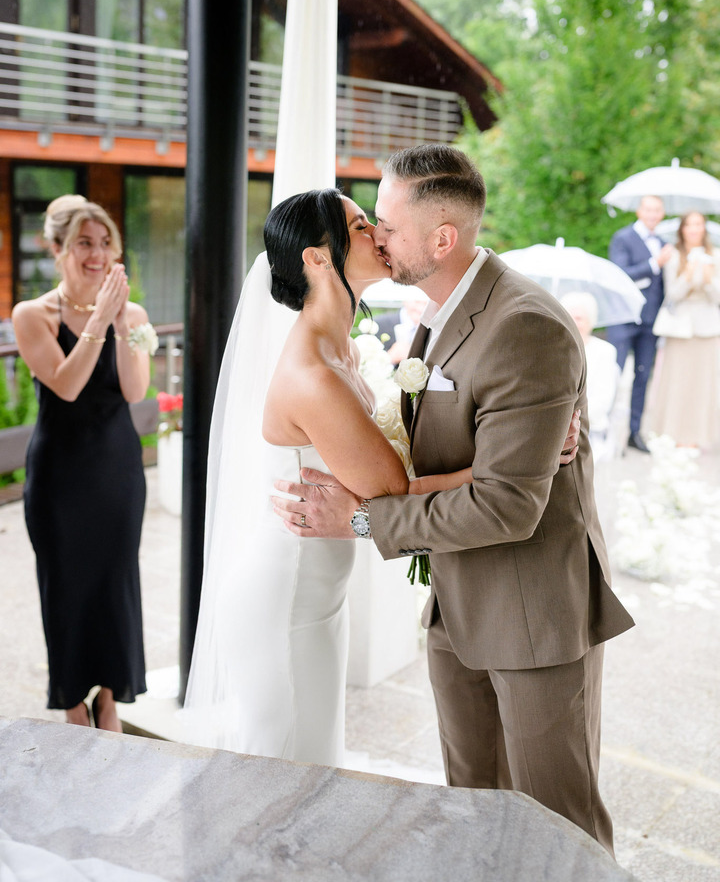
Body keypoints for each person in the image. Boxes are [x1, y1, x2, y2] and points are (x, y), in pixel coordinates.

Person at [272, 145, 634, 856]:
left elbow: (507, 507)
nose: (375, 237)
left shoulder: (525, 325)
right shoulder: (432, 314)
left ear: (442, 239)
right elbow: (441, 450)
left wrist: (356, 517)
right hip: (455, 605)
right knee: (474, 807)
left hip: (531, 613)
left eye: (386, 223)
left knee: (558, 825)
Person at [182, 187, 582, 765]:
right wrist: (525, 459)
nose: (380, 236)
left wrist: (524, 434)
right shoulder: (314, 375)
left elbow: (398, 448)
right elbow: (391, 491)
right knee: (284, 766)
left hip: (319, 592)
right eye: (362, 225)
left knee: (314, 759)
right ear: (318, 258)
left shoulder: (344, 346)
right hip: (286, 595)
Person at [12, 195, 152, 732]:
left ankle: (111, 700)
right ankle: (73, 700)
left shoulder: (131, 313)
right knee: (66, 587)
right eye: (83, 243)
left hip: (117, 472)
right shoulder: (32, 315)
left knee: (116, 583)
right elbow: (67, 385)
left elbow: (136, 389)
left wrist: (118, 319)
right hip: (60, 478)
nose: (96, 253)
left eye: (105, 242)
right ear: (57, 250)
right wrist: (97, 316)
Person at [606, 195, 673, 452]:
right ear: (639, 211)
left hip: (651, 321)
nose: (653, 213)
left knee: (643, 376)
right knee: (616, 372)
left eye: (657, 209)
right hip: (624, 318)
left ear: (662, 213)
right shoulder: (623, 238)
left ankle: (635, 432)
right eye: (648, 209)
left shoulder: (664, 243)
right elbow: (620, 273)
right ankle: (606, 433)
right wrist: (654, 263)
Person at [650, 211, 720, 449]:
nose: (693, 229)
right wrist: (688, 276)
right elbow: (672, 295)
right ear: (682, 229)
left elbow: (717, 298)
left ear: (704, 228)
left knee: (704, 384)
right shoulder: (674, 256)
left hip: (709, 327)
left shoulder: (716, 255)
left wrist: (709, 280)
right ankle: (674, 433)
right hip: (680, 327)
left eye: (698, 224)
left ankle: (700, 436)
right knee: (678, 382)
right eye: (689, 225)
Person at [560, 292, 620, 462]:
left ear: (590, 321)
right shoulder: (554, 348)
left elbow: (603, 401)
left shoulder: (605, 352)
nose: (574, 322)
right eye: (569, 316)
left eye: (579, 318)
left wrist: (568, 421)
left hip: (590, 432)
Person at [375, 294, 427, 366]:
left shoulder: (435, 328)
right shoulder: (378, 325)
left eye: (426, 303)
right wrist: (389, 358)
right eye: (417, 302)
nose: (421, 308)